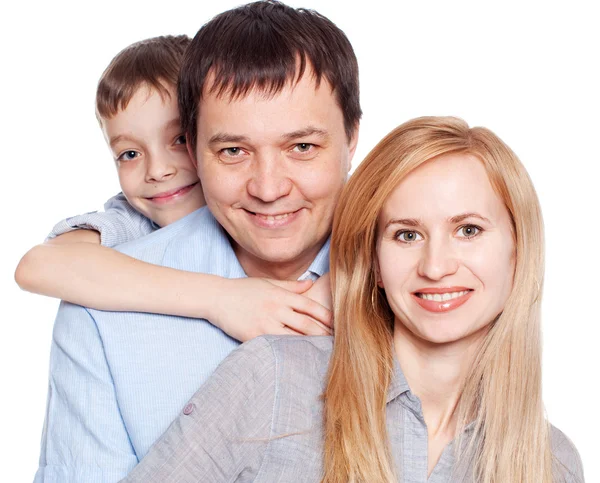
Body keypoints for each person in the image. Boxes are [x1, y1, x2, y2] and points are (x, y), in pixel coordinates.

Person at [123, 117, 584, 483]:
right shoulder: (273, 379)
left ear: (518, 250)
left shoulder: (554, 466)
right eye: (407, 234)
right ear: (376, 264)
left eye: (468, 231)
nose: (436, 265)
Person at [33, 1, 360, 481]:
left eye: (302, 147)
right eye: (233, 150)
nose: (268, 188)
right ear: (198, 146)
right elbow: (42, 265)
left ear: (352, 137)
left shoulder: (419, 278)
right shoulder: (100, 306)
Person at [15, 35, 331, 343]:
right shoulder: (137, 224)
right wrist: (219, 298)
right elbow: (38, 265)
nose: (157, 171)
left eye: (178, 140)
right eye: (130, 154)